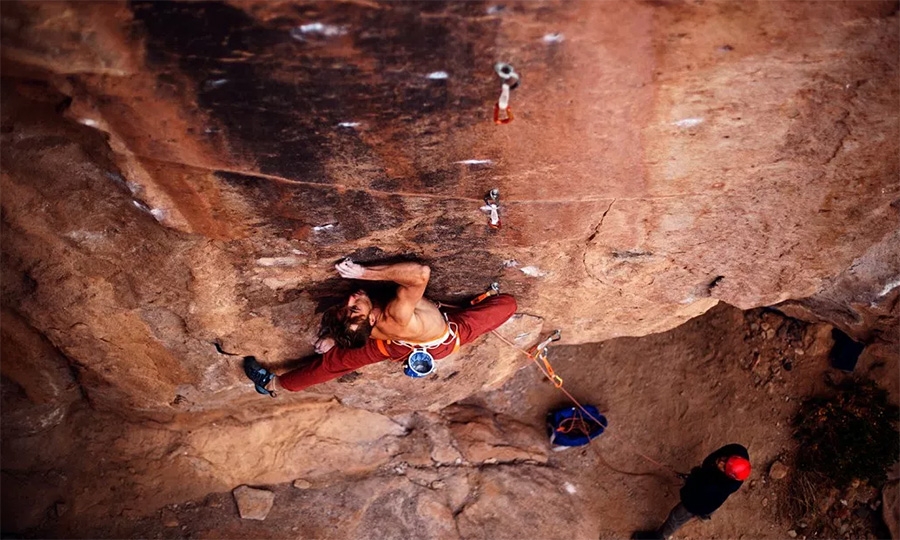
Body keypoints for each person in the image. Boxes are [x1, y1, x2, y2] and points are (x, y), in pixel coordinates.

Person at [243, 259, 517, 395]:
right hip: (431, 338)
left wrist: (338, 337)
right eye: (353, 309)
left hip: (399, 343)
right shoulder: (392, 314)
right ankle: (274, 384)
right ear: (370, 321)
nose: (351, 298)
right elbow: (420, 274)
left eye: (350, 307)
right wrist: (365, 274)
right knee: (507, 305)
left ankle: (274, 385)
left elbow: (421, 274)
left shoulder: (382, 321)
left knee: (335, 362)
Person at [634, 443, 751, 539]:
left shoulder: (714, 488)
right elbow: (716, 456)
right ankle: (705, 515)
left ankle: (660, 537)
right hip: (709, 500)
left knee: (675, 517)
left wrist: (691, 482)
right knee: (710, 508)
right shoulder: (738, 452)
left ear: (728, 475)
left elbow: (691, 502)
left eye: (723, 467)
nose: (721, 462)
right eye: (726, 460)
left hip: (700, 502)